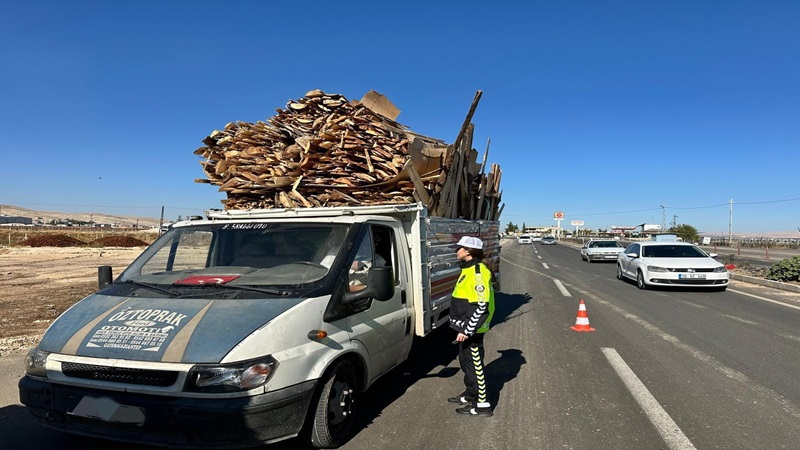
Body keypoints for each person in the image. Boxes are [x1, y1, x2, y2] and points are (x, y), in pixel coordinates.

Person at [448, 235, 495, 417]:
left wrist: (467, 330)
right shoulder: (467, 269)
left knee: (475, 366)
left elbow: (481, 306)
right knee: (466, 362)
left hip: (472, 329)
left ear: (468, 251)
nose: (456, 251)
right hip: (465, 328)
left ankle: (483, 405)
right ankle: (471, 393)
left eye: (459, 248)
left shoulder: (478, 272)